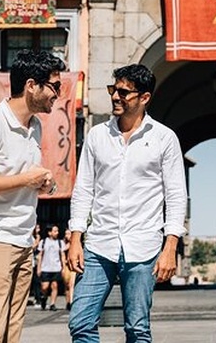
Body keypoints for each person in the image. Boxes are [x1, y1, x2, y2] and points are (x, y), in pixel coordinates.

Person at [67, 64, 187, 343]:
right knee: (80, 322)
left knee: (137, 328)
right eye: (113, 90)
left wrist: (170, 247)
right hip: (99, 243)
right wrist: (75, 238)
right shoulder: (97, 136)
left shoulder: (164, 138)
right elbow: (83, 189)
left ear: (144, 97)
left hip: (143, 245)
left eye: (123, 92)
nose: (115, 97)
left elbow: (175, 195)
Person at [0, 49, 65, 343]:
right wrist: (27, 179)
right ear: (32, 85)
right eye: (55, 86)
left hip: (22, 239)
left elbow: (21, 178)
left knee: (10, 334)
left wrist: (44, 184)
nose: (57, 94)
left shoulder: (35, 126)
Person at [37, 224, 66, 311]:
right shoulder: (43, 242)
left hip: (56, 267)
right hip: (45, 268)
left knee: (54, 286)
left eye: (57, 231)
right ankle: (44, 297)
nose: (57, 233)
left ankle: (52, 303)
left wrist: (63, 267)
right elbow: (40, 255)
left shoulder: (60, 243)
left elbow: (62, 255)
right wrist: (39, 267)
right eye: (55, 231)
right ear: (49, 232)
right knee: (44, 287)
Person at [61, 229, 74, 310]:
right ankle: (68, 301)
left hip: (73, 266)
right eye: (66, 234)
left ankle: (71, 301)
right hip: (66, 266)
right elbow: (62, 255)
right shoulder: (64, 244)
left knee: (71, 284)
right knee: (67, 285)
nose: (67, 236)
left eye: (69, 234)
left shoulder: (76, 243)